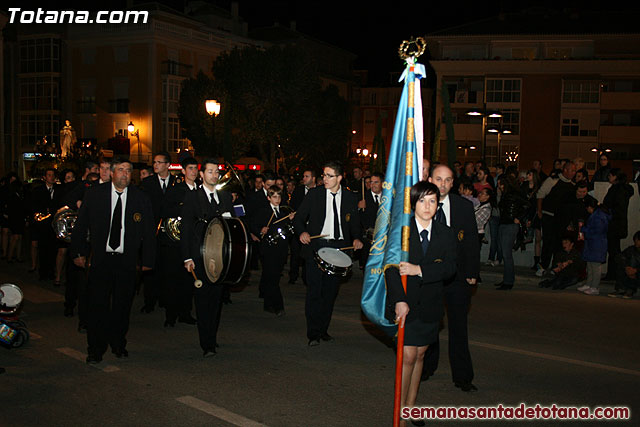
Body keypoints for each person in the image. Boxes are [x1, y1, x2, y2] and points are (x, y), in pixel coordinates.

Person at [71, 158, 156, 364]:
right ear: (111, 173)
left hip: (127, 261)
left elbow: (149, 233)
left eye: (128, 171)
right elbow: (81, 227)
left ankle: (118, 343)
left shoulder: (140, 198)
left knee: (122, 306)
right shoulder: (95, 195)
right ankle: (95, 349)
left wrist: (148, 260)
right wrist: (78, 253)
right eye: (120, 170)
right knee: (97, 306)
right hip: (101, 259)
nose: (125, 174)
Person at [385, 181, 457, 425]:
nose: (427, 206)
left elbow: (449, 268)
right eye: (422, 200)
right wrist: (399, 300)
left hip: (430, 305)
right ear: (413, 203)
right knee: (406, 357)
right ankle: (400, 415)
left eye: (432, 201)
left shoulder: (445, 233)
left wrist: (420, 270)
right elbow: (391, 268)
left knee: (420, 356)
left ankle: (411, 406)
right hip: (405, 303)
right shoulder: (401, 232)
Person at [294, 160, 363, 346]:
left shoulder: (349, 197)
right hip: (316, 247)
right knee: (314, 292)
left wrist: (356, 238)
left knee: (330, 293)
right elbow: (299, 218)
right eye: (324, 175)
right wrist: (302, 232)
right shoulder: (315, 195)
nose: (324, 179)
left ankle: (323, 329)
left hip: (339, 249)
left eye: (329, 176)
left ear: (340, 178)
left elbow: (355, 225)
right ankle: (313, 333)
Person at [423, 165, 479, 392]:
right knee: (431, 326)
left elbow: (472, 242)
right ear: (430, 179)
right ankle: (426, 368)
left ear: (453, 183)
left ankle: (463, 376)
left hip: (457, 277)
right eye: (438, 179)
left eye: (447, 180)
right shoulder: (422, 204)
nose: (443, 184)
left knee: (458, 327)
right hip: (431, 276)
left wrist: (472, 273)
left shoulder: (463, 207)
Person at [180, 159, 235, 357]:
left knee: (216, 300)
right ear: (202, 175)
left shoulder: (226, 197)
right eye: (210, 171)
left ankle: (212, 336)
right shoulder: (193, 197)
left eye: (216, 172)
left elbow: (232, 227)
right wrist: (187, 257)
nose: (214, 175)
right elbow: (185, 229)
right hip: (200, 256)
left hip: (220, 257)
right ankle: (207, 343)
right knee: (203, 300)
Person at [158, 157, 199, 327]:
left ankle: (185, 313)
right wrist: (185, 209)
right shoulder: (176, 190)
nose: (193, 172)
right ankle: (170, 315)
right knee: (173, 279)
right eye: (190, 168)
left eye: (195, 169)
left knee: (189, 280)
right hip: (176, 241)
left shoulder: (200, 190)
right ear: (183, 171)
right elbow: (165, 210)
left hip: (193, 241)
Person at [139, 151, 176, 313]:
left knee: (168, 268)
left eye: (159, 162)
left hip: (170, 232)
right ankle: (149, 302)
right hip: (152, 231)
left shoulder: (176, 182)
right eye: (154, 162)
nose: (155, 165)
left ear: (168, 165)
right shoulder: (147, 183)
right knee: (150, 267)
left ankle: (166, 300)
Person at [250, 185, 294, 316]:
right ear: (268, 198)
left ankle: (268, 304)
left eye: (279, 196)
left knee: (272, 278)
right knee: (272, 277)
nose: (277, 199)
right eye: (274, 196)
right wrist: (260, 230)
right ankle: (278, 306)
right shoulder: (263, 211)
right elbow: (253, 225)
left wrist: (290, 221)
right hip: (268, 249)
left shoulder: (283, 212)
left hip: (281, 249)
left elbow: (286, 231)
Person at [537, 161, 576, 276]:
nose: (573, 173)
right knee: (548, 242)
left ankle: (555, 267)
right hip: (549, 216)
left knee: (559, 244)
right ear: (565, 170)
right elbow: (540, 195)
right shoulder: (552, 180)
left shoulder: (572, 186)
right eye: (572, 170)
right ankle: (542, 266)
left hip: (562, 219)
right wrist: (539, 211)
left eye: (574, 171)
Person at [494, 174, 529, 290]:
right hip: (504, 223)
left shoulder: (513, 194)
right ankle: (507, 279)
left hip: (510, 224)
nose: (498, 186)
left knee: (506, 254)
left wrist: (518, 217)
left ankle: (508, 281)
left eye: (500, 184)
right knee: (505, 252)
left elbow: (527, 205)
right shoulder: (506, 194)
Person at [602, 169, 634, 280]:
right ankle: (615, 273)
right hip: (620, 223)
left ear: (615, 177)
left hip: (613, 224)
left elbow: (608, 204)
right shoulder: (626, 189)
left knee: (613, 250)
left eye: (610, 176)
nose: (608, 178)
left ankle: (613, 273)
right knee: (615, 249)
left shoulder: (615, 190)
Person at [288, 169, 316, 284]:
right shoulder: (298, 191)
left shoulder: (319, 191)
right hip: (299, 226)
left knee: (308, 254)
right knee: (295, 252)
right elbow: (292, 206)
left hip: (312, 228)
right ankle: (293, 276)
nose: (304, 179)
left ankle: (307, 277)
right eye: (303, 176)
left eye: (307, 176)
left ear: (313, 178)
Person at [578, 198, 611, 295]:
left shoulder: (599, 216)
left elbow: (597, 231)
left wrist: (584, 229)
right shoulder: (598, 215)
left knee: (595, 266)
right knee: (590, 264)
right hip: (593, 243)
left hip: (597, 243)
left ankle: (594, 286)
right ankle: (589, 284)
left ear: (589, 207)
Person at [359, 172, 383, 270]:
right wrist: (359, 208)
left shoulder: (388, 197)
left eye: (376, 182)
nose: (372, 185)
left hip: (383, 236)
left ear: (382, 183)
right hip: (368, 237)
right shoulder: (363, 197)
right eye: (371, 182)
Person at [608, 231, 640, 299]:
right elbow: (619, 257)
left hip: (637, 274)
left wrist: (636, 270)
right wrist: (626, 267)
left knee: (633, 263)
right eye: (636, 240)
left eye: (638, 240)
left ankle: (631, 289)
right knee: (623, 264)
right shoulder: (631, 249)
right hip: (630, 271)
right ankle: (621, 288)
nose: (636, 241)